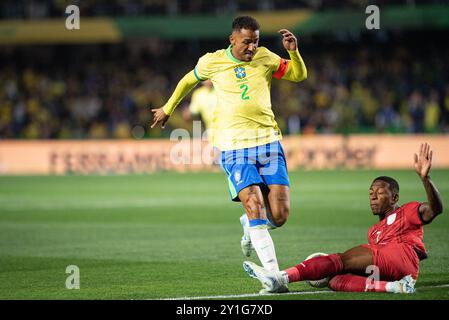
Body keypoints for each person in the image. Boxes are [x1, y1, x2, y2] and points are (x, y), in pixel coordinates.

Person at [151, 16, 307, 293]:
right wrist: (168, 108)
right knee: (255, 204)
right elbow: (188, 81)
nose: (251, 47)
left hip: (269, 142)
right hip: (234, 146)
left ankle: (249, 225)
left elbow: (298, 75)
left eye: (256, 41)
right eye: (247, 42)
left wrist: (293, 52)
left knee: (280, 215)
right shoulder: (212, 61)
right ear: (232, 39)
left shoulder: (266, 57)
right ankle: (273, 275)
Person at [243, 143, 443, 294]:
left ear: (395, 198)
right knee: (335, 280)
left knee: (339, 260)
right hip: (399, 271)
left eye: (380, 192)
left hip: (401, 255)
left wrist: (426, 179)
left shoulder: (406, 211)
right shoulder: (374, 231)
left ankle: (281, 277)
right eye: (370, 192)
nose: (372, 196)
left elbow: (435, 209)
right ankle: (394, 287)